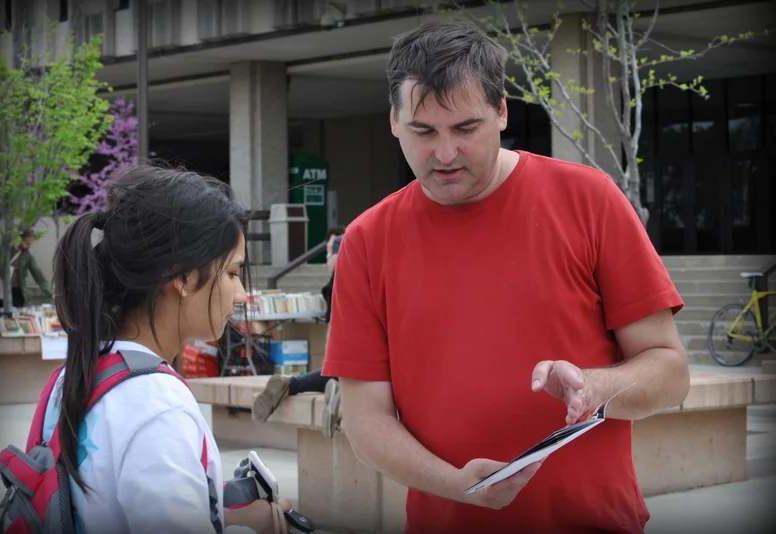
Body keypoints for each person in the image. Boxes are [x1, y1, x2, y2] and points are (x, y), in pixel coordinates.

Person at [321, 20, 690, 534]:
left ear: (501, 112)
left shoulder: (589, 199)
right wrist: (459, 487)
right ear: (393, 121)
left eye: (465, 129)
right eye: (423, 132)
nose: (444, 154)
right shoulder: (366, 241)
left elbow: (671, 372)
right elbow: (365, 421)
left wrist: (593, 386)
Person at [47, 165, 290, 534]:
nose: (241, 295)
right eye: (232, 273)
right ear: (183, 277)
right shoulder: (157, 406)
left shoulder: (77, 373)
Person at [252, 227, 345, 438]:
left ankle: (292, 384)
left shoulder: (339, 276)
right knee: (351, 375)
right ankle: (342, 397)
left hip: (345, 341)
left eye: (331, 251)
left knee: (338, 372)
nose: (328, 257)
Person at [0, 228, 52, 309]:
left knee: (16, 316)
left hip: (17, 290)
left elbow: (38, 274)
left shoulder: (26, 255)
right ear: (20, 240)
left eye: (30, 244)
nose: (29, 246)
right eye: (27, 243)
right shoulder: (3, 251)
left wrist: (49, 293)